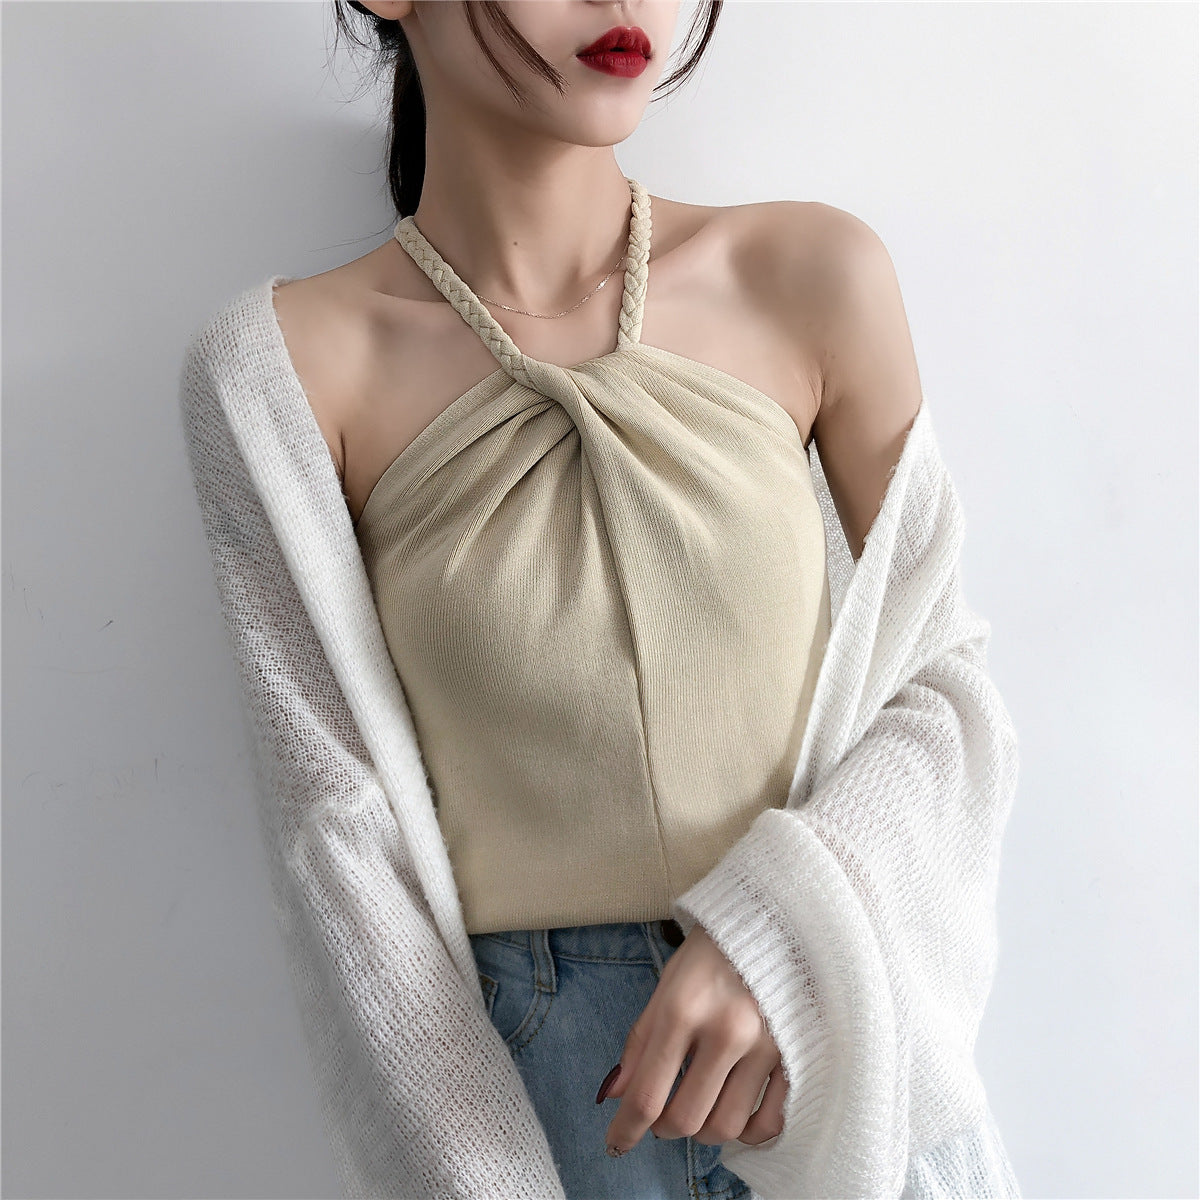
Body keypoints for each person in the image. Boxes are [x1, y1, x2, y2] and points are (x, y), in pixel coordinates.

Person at [178, 2, 1023, 1197]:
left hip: (841, 1068)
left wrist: (778, 936)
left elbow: (945, 695)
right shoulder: (280, 370)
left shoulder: (809, 276)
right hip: (536, 1106)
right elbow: (336, 840)